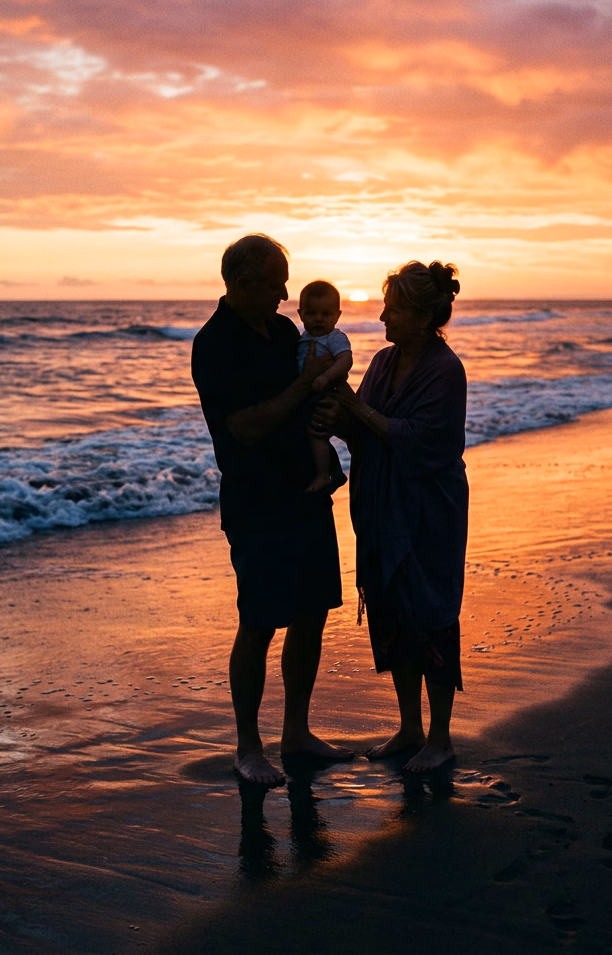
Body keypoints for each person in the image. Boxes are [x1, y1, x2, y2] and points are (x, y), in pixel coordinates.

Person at [191, 233, 353, 786]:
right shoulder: (214, 343)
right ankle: (248, 747)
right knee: (259, 622)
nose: (286, 295)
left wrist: (333, 414)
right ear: (243, 283)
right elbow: (245, 426)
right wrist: (305, 386)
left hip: (306, 490)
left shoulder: (285, 332)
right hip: (256, 499)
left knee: (311, 614)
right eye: (276, 283)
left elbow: (314, 395)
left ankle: (296, 733)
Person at [330, 260, 469, 773]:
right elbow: (364, 429)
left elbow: (424, 440)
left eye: (393, 309)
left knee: (431, 614)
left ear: (423, 316)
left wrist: (357, 411)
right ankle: (410, 728)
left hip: (430, 509)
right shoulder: (384, 361)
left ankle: (440, 738)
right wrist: (330, 409)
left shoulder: (446, 369)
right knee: (392, 613)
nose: (383, 316)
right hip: (382, 504)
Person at [296, 280, 353, 492]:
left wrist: (327, 377)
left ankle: (323, 475)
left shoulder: (334, 337)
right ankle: (333, 472)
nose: (318, 319)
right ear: (301, 314)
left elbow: (345, 360)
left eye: (326, 314)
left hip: (326, 394)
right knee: (307, 431)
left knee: (316, 434)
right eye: (312, 313)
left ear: (337, 316)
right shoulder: (304, 337)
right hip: (310, 395)